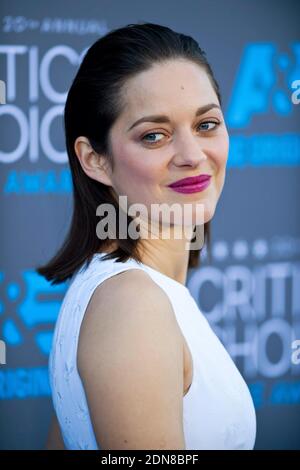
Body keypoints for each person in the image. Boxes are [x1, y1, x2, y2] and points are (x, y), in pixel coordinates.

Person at [37, 22, 256, 450]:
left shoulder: (121, 293)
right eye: (154, 136)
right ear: (94, 160)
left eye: (207, 124)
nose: (193, 156)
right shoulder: (133, 306)